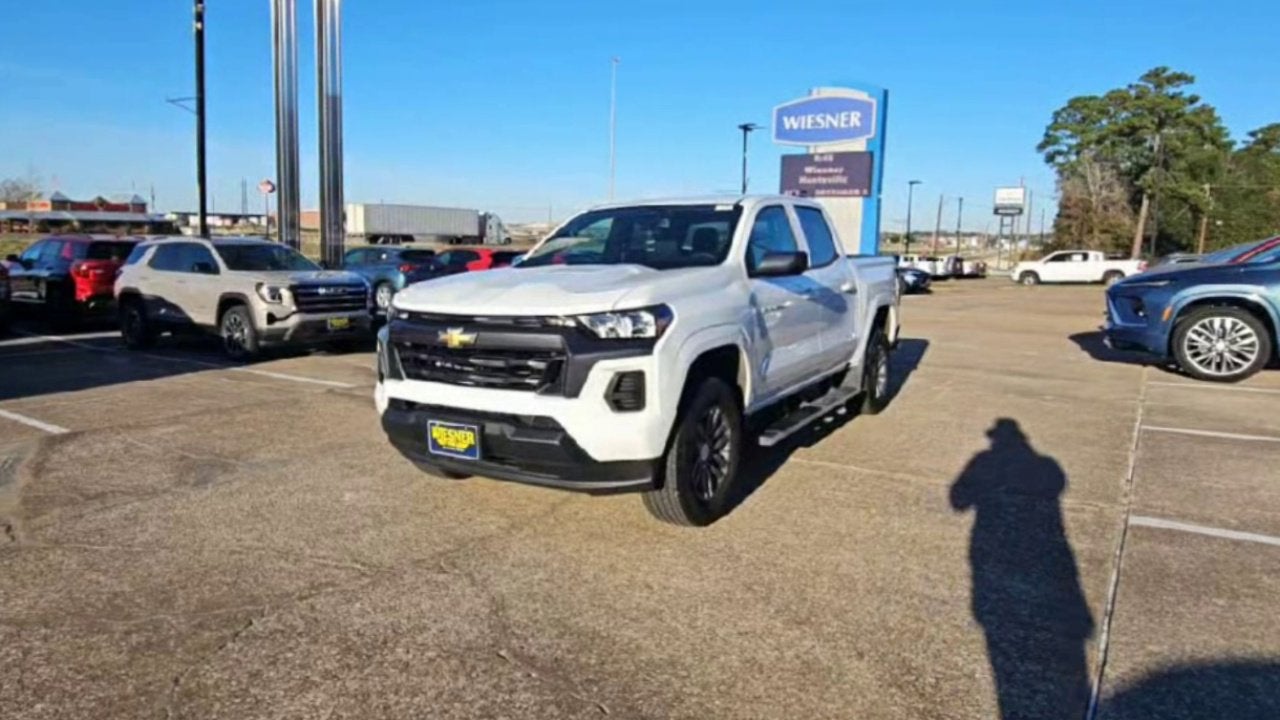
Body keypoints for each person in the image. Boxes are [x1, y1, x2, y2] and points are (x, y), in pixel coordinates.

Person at [950, 418, 1094, 720]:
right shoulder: (1048, 466)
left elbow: (958, 500)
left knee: (1003, 657)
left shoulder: (984, 461)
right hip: (1060, 574)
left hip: (989, 565)